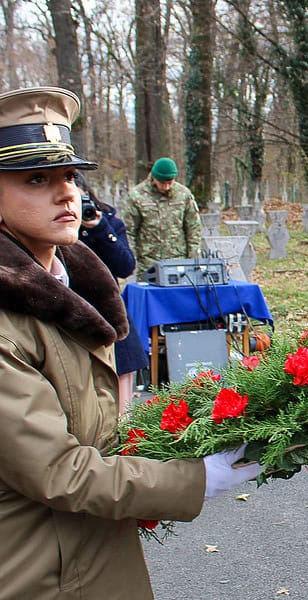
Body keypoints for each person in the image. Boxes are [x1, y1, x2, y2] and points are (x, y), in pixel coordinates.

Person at [0, 86, 261, 599]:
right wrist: (194, 479)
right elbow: (57, 470)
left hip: (93, 556)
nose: (66, 194)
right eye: (36, 179)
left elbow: (100, 431)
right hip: (38, 570)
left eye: (69, 176)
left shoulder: (69, 287)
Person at [76, 170, 148, 413]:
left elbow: (125, 266)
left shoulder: (108, 221)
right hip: (73, 313)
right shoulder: (56, 226)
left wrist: (100, 229)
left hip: (110, 312)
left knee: (122, 395)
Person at [122, 155, 202, 276]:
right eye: (162, 183)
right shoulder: (137, 196)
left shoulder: (183, 194)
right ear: (153, 178)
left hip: (178, 261)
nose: (166, 187)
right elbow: (129, 230)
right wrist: (131, 258)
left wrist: (193, 258)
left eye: (169, 182)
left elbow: (193, 227)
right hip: (148, 262)